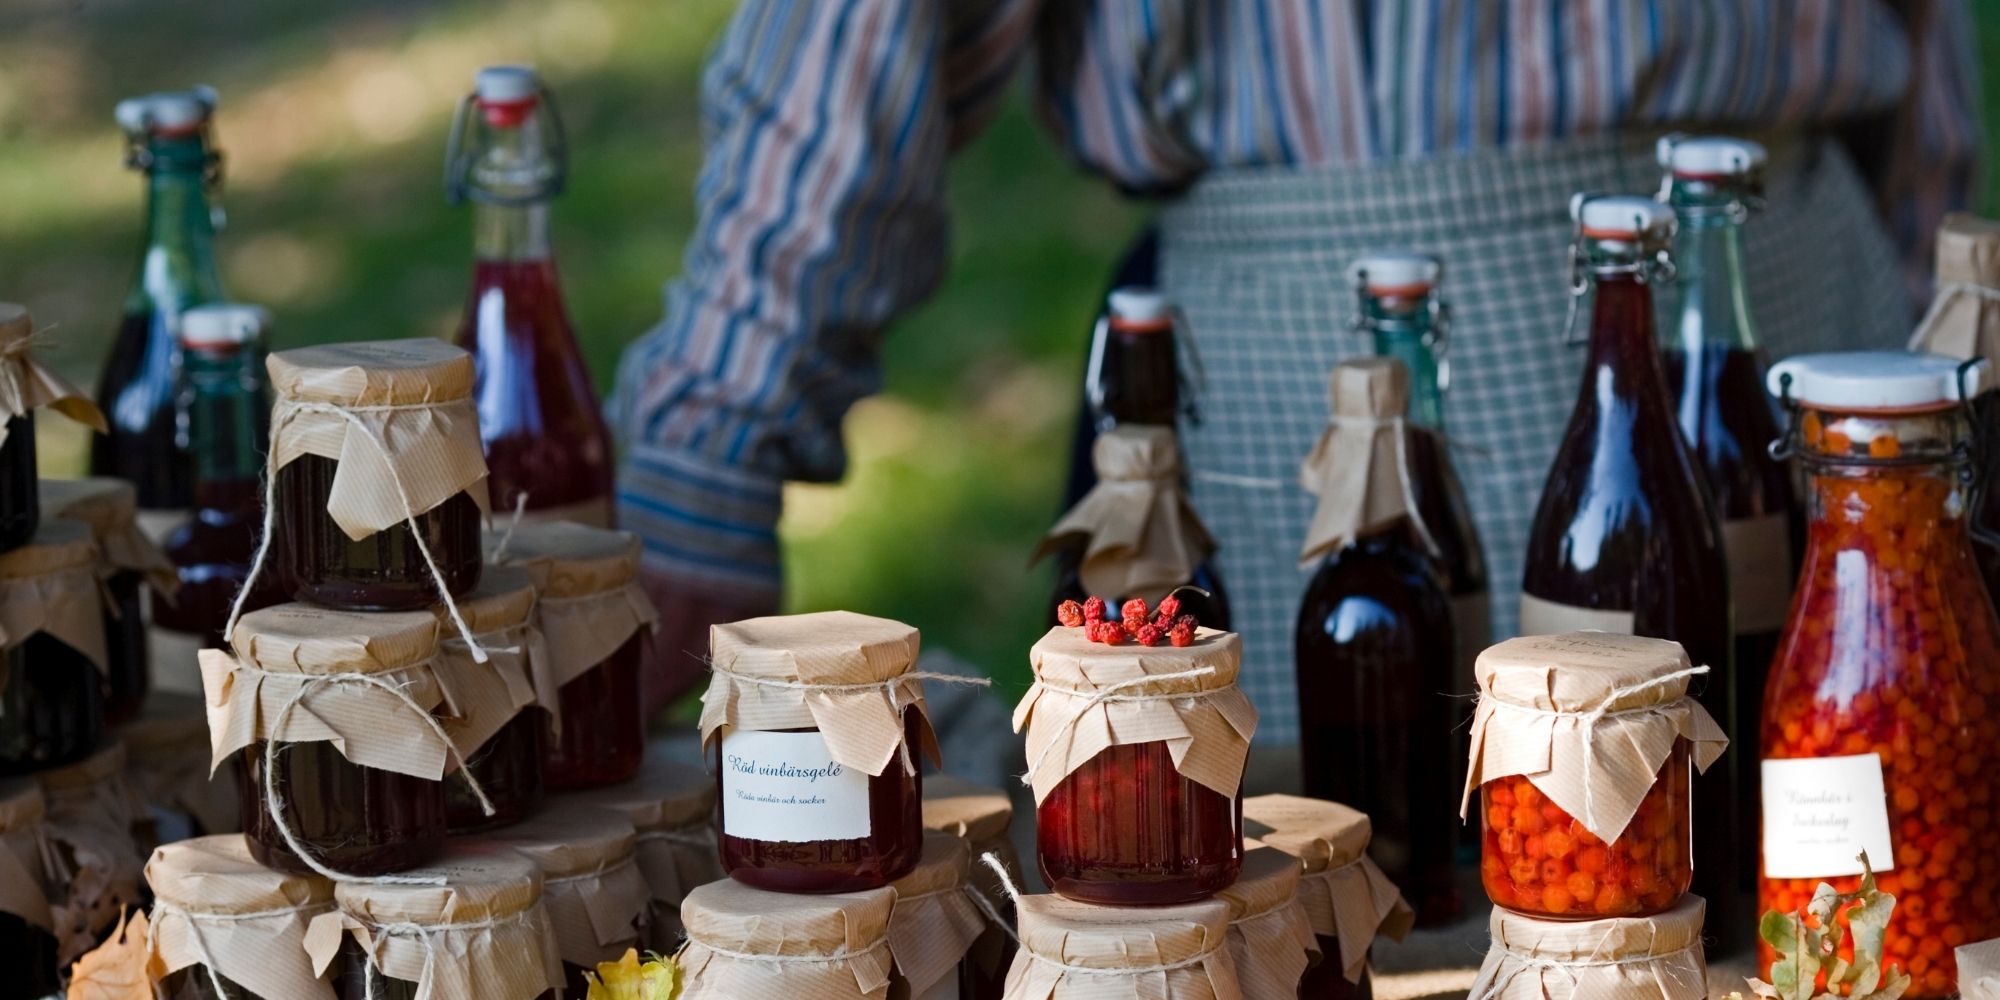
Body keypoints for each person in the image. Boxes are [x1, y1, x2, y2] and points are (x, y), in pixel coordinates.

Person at [609, 1, 1981, 743]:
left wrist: (1941, 368)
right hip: (1291, 383)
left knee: (1832, 872)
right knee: (1314, 900)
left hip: (1799, 316)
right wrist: (709, 448)